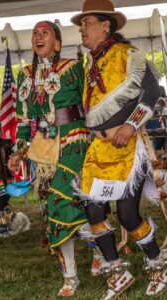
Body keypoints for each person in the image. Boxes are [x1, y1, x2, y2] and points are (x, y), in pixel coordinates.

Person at [71, 0, 167, 299]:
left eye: (87, 23)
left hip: (127, 147)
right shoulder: (92, 63)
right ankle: (116, 270)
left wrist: (129, 125)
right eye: (81, 24)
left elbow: (153, 91)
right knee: (93, 211)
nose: (81, 29)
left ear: (105, 26)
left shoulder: (128, 55)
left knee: (127, 214)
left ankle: (157, 264)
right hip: (99, 148)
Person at [8, 20, 95, 297]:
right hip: (44, 147)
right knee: (53, 208)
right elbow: (23, 121)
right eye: (35, 33)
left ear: (56, 43)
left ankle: (101, 252)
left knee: (62, 197)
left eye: (44, 32)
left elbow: (92, 104)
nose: (38, 36)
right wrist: (18, 152)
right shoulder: (25, 74)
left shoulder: (73, 67)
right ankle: (73, 273)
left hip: (74, 138)